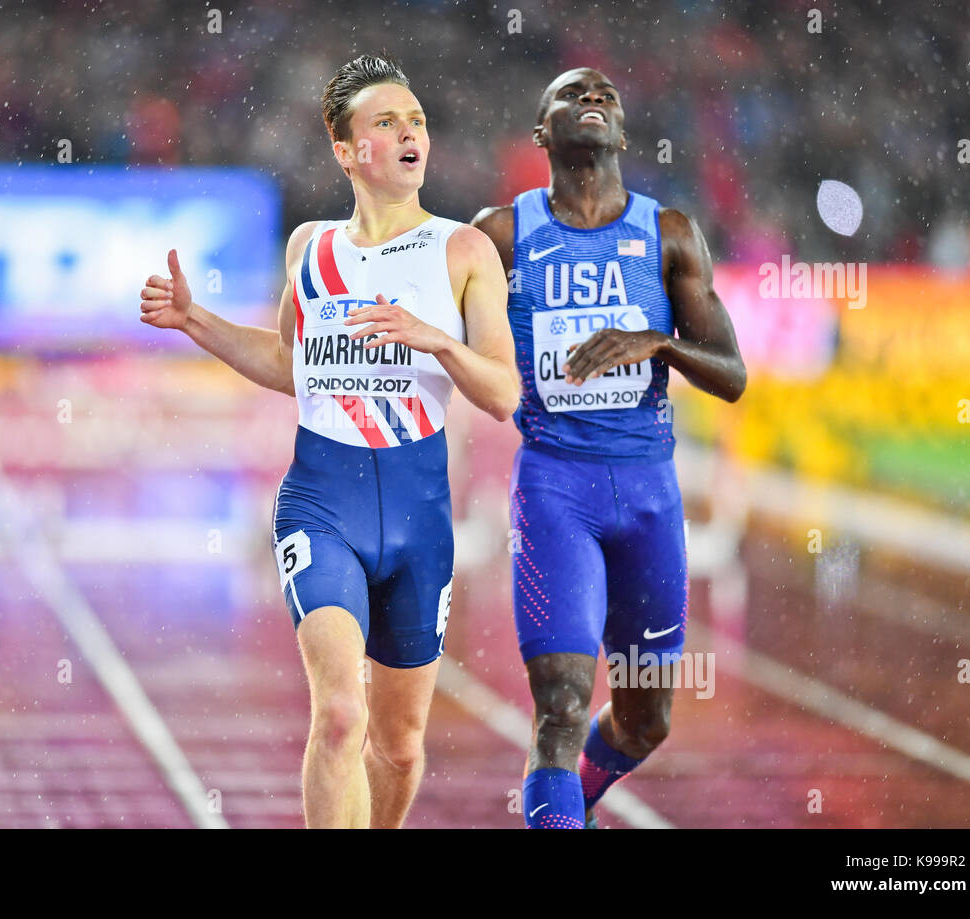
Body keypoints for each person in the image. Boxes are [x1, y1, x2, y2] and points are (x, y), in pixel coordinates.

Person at [140, 54, 519, 828]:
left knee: (401, 743)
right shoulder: (311, 251)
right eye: (388, 122)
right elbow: (290, 364)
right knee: (342, 713)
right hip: (322, 505)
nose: (410, 133)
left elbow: (504, 393)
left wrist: (434, 341)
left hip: (419, 521)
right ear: (347, 152)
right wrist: (196, 321)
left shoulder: (464, 253)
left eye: (416, 121)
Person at [472, 67, 747, 828]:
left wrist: (658, 340)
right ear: (542, 133)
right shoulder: (500, 234)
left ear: (623, 135)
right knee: (559, 708)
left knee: (644, 721)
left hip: (649, 497)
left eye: (606, 97)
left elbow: (732, 375)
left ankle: (569, 807)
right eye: (570, 93)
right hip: (556, 488)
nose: (592, 100)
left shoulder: (669, 234)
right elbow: (439, 333)